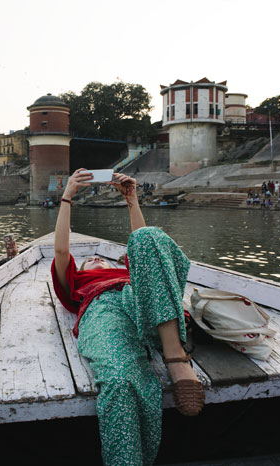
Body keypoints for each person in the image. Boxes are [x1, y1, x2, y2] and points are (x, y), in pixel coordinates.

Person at [52, 168, 203, 466]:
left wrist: (131, 199)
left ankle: (174, 355)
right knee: (120, 382)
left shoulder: (126, 272)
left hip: (147, 306)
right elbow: (60, 249)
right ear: (79, 272)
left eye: (100, 257)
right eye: (88, 261)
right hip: (104, 310)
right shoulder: (80, 285)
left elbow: (141, 244)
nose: (95, 257)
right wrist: (66, 197)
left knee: (146, 238)